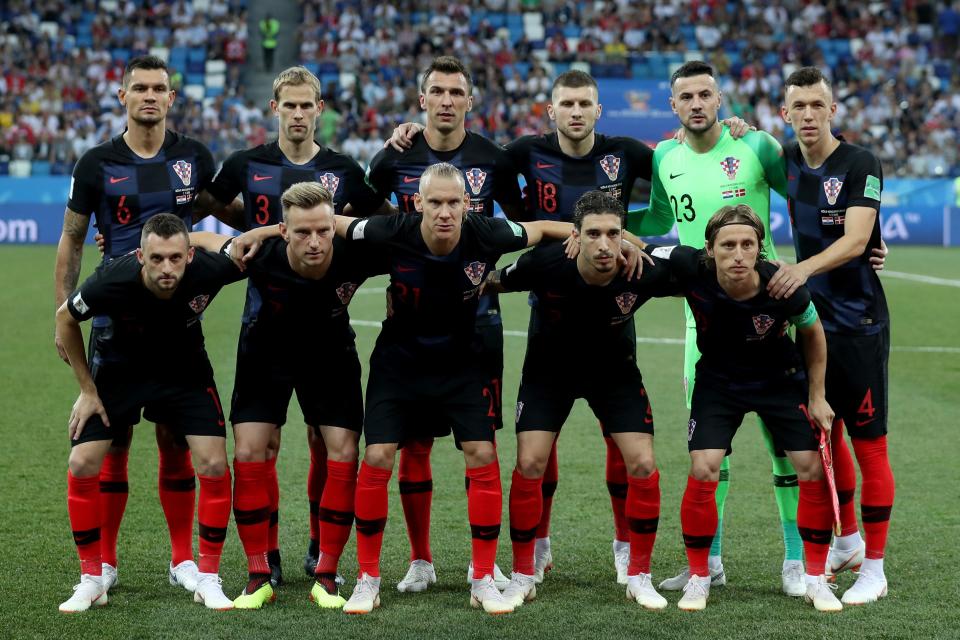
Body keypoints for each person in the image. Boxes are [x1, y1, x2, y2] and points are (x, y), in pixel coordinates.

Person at [386, 68, 752, 586]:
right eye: (567, 104)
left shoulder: (627, 152)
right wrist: (409, 132)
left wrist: (726, 127)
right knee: (540, 444)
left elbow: (684, 158)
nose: (576, 112)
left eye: (585, 104)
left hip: (613, 313)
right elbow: (466, 159)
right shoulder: (519, 153)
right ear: (551, 112)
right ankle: (537, 545)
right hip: (551, 303)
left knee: (618, 440)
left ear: (597, 111)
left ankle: (627, 547)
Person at [334, 162, 574, 615]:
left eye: (453, 202)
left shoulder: (487, 233)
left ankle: (481, 576)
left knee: (482, 455)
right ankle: (368, 577)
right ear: (417, 203)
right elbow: (336, 223)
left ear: (467, 204)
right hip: (399, 364)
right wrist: (266, 234)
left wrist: (591, 233)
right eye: (435, 202)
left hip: (462, 363)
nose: (444, 212)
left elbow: (540, 228)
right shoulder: (392, 231)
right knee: (379, 456)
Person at [53, 54, 235, 598]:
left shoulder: (194, 157)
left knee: (177, 442)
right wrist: (62, 306)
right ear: (123, 96)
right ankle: (102, 566)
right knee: (114, 443)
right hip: (117, 323)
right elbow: (72, 238)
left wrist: (291, 228)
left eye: (160, 88)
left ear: (171, 98)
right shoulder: (96, 163)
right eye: (140, 88)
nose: (150, 96)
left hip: (178, 324)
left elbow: (221, 211)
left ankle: (185, 561)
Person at [202, 65, 392, 586]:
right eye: (291, 105)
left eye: (308, 105)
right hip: (264, 316)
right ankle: (266, 557)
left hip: (327, 326)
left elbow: (383, 223)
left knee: (323, 442)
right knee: (259, 448)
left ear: (320, 109)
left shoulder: (343, 168)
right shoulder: (247, 163)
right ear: (275, 108)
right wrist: (257, 232)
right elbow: (210, 206)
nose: (299, 113)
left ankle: (319, 547)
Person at [626, 60, 807, 596]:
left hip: (770, 312)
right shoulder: (663, 156)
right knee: (709, 451)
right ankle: (712, 560)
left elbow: (809, 193)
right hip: (701, 319)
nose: (698, 103)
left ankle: (796, 561)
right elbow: (659, 220)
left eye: (706, 93)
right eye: (687, 96)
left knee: (784, 445)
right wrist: (597, 228)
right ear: (673, 105)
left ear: (721, 97)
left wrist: (863, 241)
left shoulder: (756, 148)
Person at [366, 56, 524, 592]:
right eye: (438, 91)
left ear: (470, 100)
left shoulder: (493, 159)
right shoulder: (394, 157)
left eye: (457, 91)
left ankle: (486, 562)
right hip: (410, 326)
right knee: (414, 446)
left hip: (478, 326)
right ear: (422, 100)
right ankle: (420, 559)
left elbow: (517, 225)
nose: (448, 100)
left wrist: (500, 278)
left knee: (482, 443)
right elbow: (365, 217)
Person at [190, 182, 387, 610]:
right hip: (266, 355)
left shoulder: (357, 253)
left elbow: (406, 235)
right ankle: (259, 573)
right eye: (302, 233)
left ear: (334, 225)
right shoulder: (260, 253)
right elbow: (205, 239)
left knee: (343, 452)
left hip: (331, 356)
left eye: (322, 230)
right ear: (284, 230)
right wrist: (251, 235)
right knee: (248, 453)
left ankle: (328, 573)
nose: (314, 241)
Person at [484, 191, 674, 610]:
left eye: (613, 233)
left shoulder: (641, 270)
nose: (604, 244)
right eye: (593, 234)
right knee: (530, 462)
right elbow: (493, 280)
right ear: (576, 236)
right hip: (549, 373)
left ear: (624, 236)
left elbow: (698, 268)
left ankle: (639, 574)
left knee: (642, 463)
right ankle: (521, 575)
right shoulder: (546, 263)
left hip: (615, 373)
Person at [650, 205, 841, 612]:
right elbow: (645, 248)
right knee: (704, 467)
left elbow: (813, 333)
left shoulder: (783, 287)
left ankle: (812, 575)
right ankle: (701, 575)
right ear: (710, 249)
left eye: (747, 245)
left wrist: (818, 395)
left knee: (808, 468)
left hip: (779, 380)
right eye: (729, 245)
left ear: (759, 249)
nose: (738, 254)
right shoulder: (690, 266)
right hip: (718, 383)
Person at [56, 214, 244, 613]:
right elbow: (65, 318)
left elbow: (251, 248)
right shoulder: (110, 279)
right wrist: (87, 390)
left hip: (184, 372)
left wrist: (260, 234)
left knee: (212, 462)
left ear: (190, 255)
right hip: (119, 370)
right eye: (157, 258)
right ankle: (94, 577)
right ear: (140, 255)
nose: (167, 268)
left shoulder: (209, 269)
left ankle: (204, 575)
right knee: (83, 461)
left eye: (176, 258)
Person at [770, 66, 895, 605]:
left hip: (860, 323)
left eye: (817, 105)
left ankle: (875, 566)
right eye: (798, 106)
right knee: (826, 435)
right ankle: (845, 542)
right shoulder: (787, 159)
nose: (808, 115)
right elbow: (736, 149)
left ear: (832, 110)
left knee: (870, 447)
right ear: (785, 113)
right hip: (811, 325)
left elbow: (857, 238)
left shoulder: (860, 161)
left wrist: (803, 269)